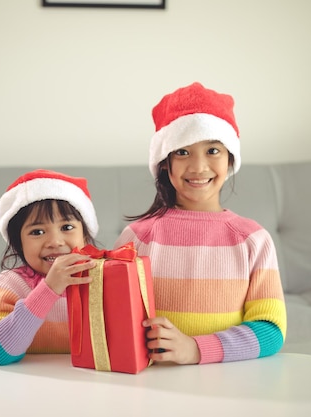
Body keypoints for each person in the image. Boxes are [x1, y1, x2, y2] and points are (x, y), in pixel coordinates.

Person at [114, 81, 287, 365]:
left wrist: (195, 349)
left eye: (212, 150)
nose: (198, 166)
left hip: (229, 386)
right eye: (182, 152)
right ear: (165, 162)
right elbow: (116, 321)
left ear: (230, 158)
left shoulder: (253, 239)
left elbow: (271, 331)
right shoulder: (137, 237)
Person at [0, 169, 99, 365]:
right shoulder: (10, 284)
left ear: (85, 235)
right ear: (19, 243)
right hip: (29, 386)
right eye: (37, 231)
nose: (55, 241)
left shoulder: (102, 277)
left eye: (67, 227)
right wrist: (49, 289)